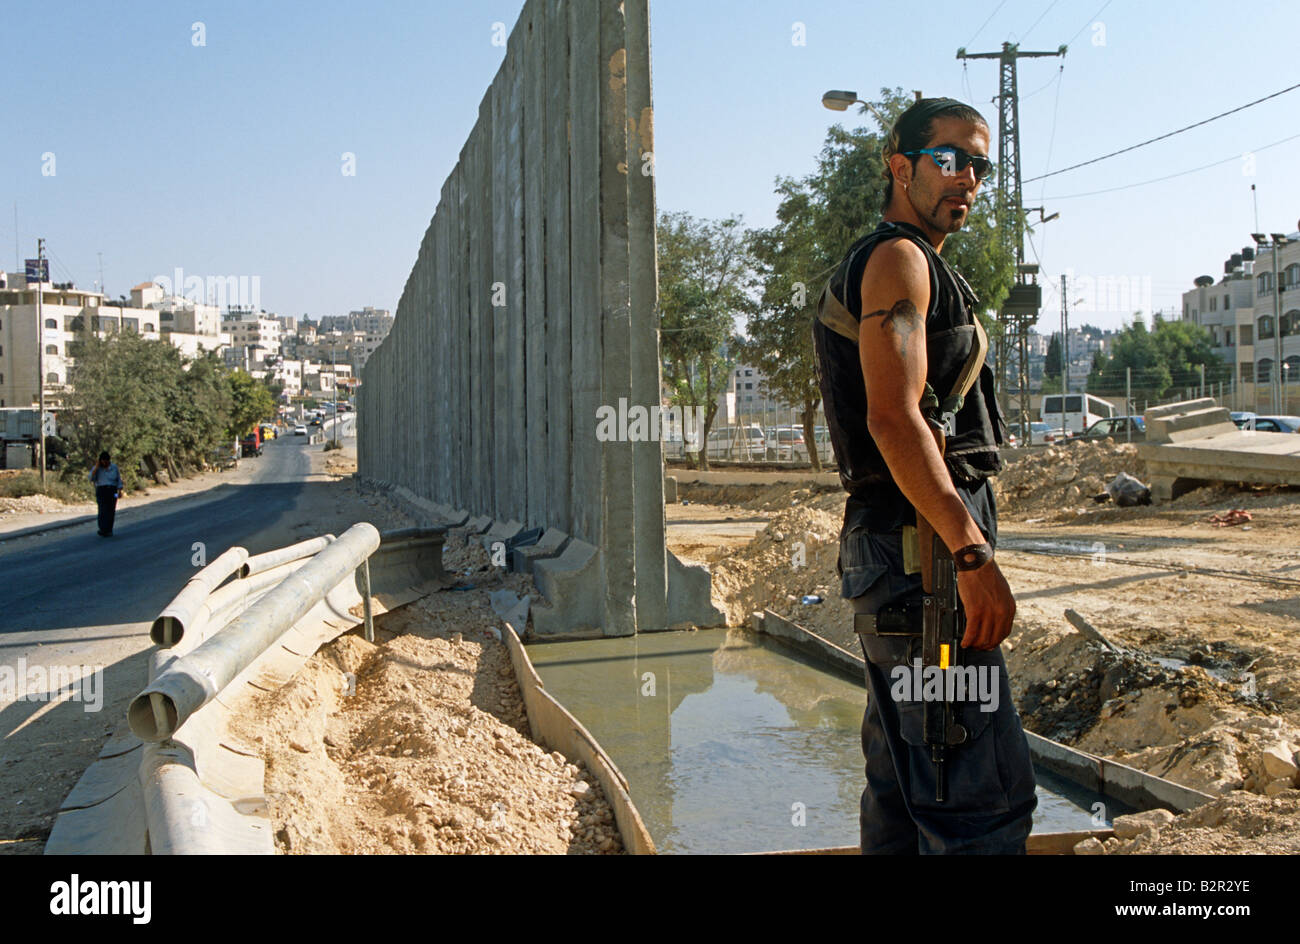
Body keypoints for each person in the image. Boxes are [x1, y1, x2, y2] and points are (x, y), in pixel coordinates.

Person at [813, 97, 1037, 854]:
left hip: (908, 561)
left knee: (909, 793)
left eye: (979, 164)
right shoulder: (899, 261)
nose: (966, 177)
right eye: (948, 158)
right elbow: (894, 419)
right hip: (926, 566)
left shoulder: (918, 264)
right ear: (900, 166)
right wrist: (970, 554)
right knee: (978, 802)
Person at [89, 451, 124, 537]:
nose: (105, 463)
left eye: (106, 462)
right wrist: (96, 468)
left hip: (113, 491)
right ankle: (102, 529)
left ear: (109, 461)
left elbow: (118, 479)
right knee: (102, 510)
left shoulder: (114, 467)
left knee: (111, 510)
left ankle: (109, 529)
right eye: (103, 462)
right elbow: (91, 478)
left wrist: (120, 491)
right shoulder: (97, 469)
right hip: (101, 490)